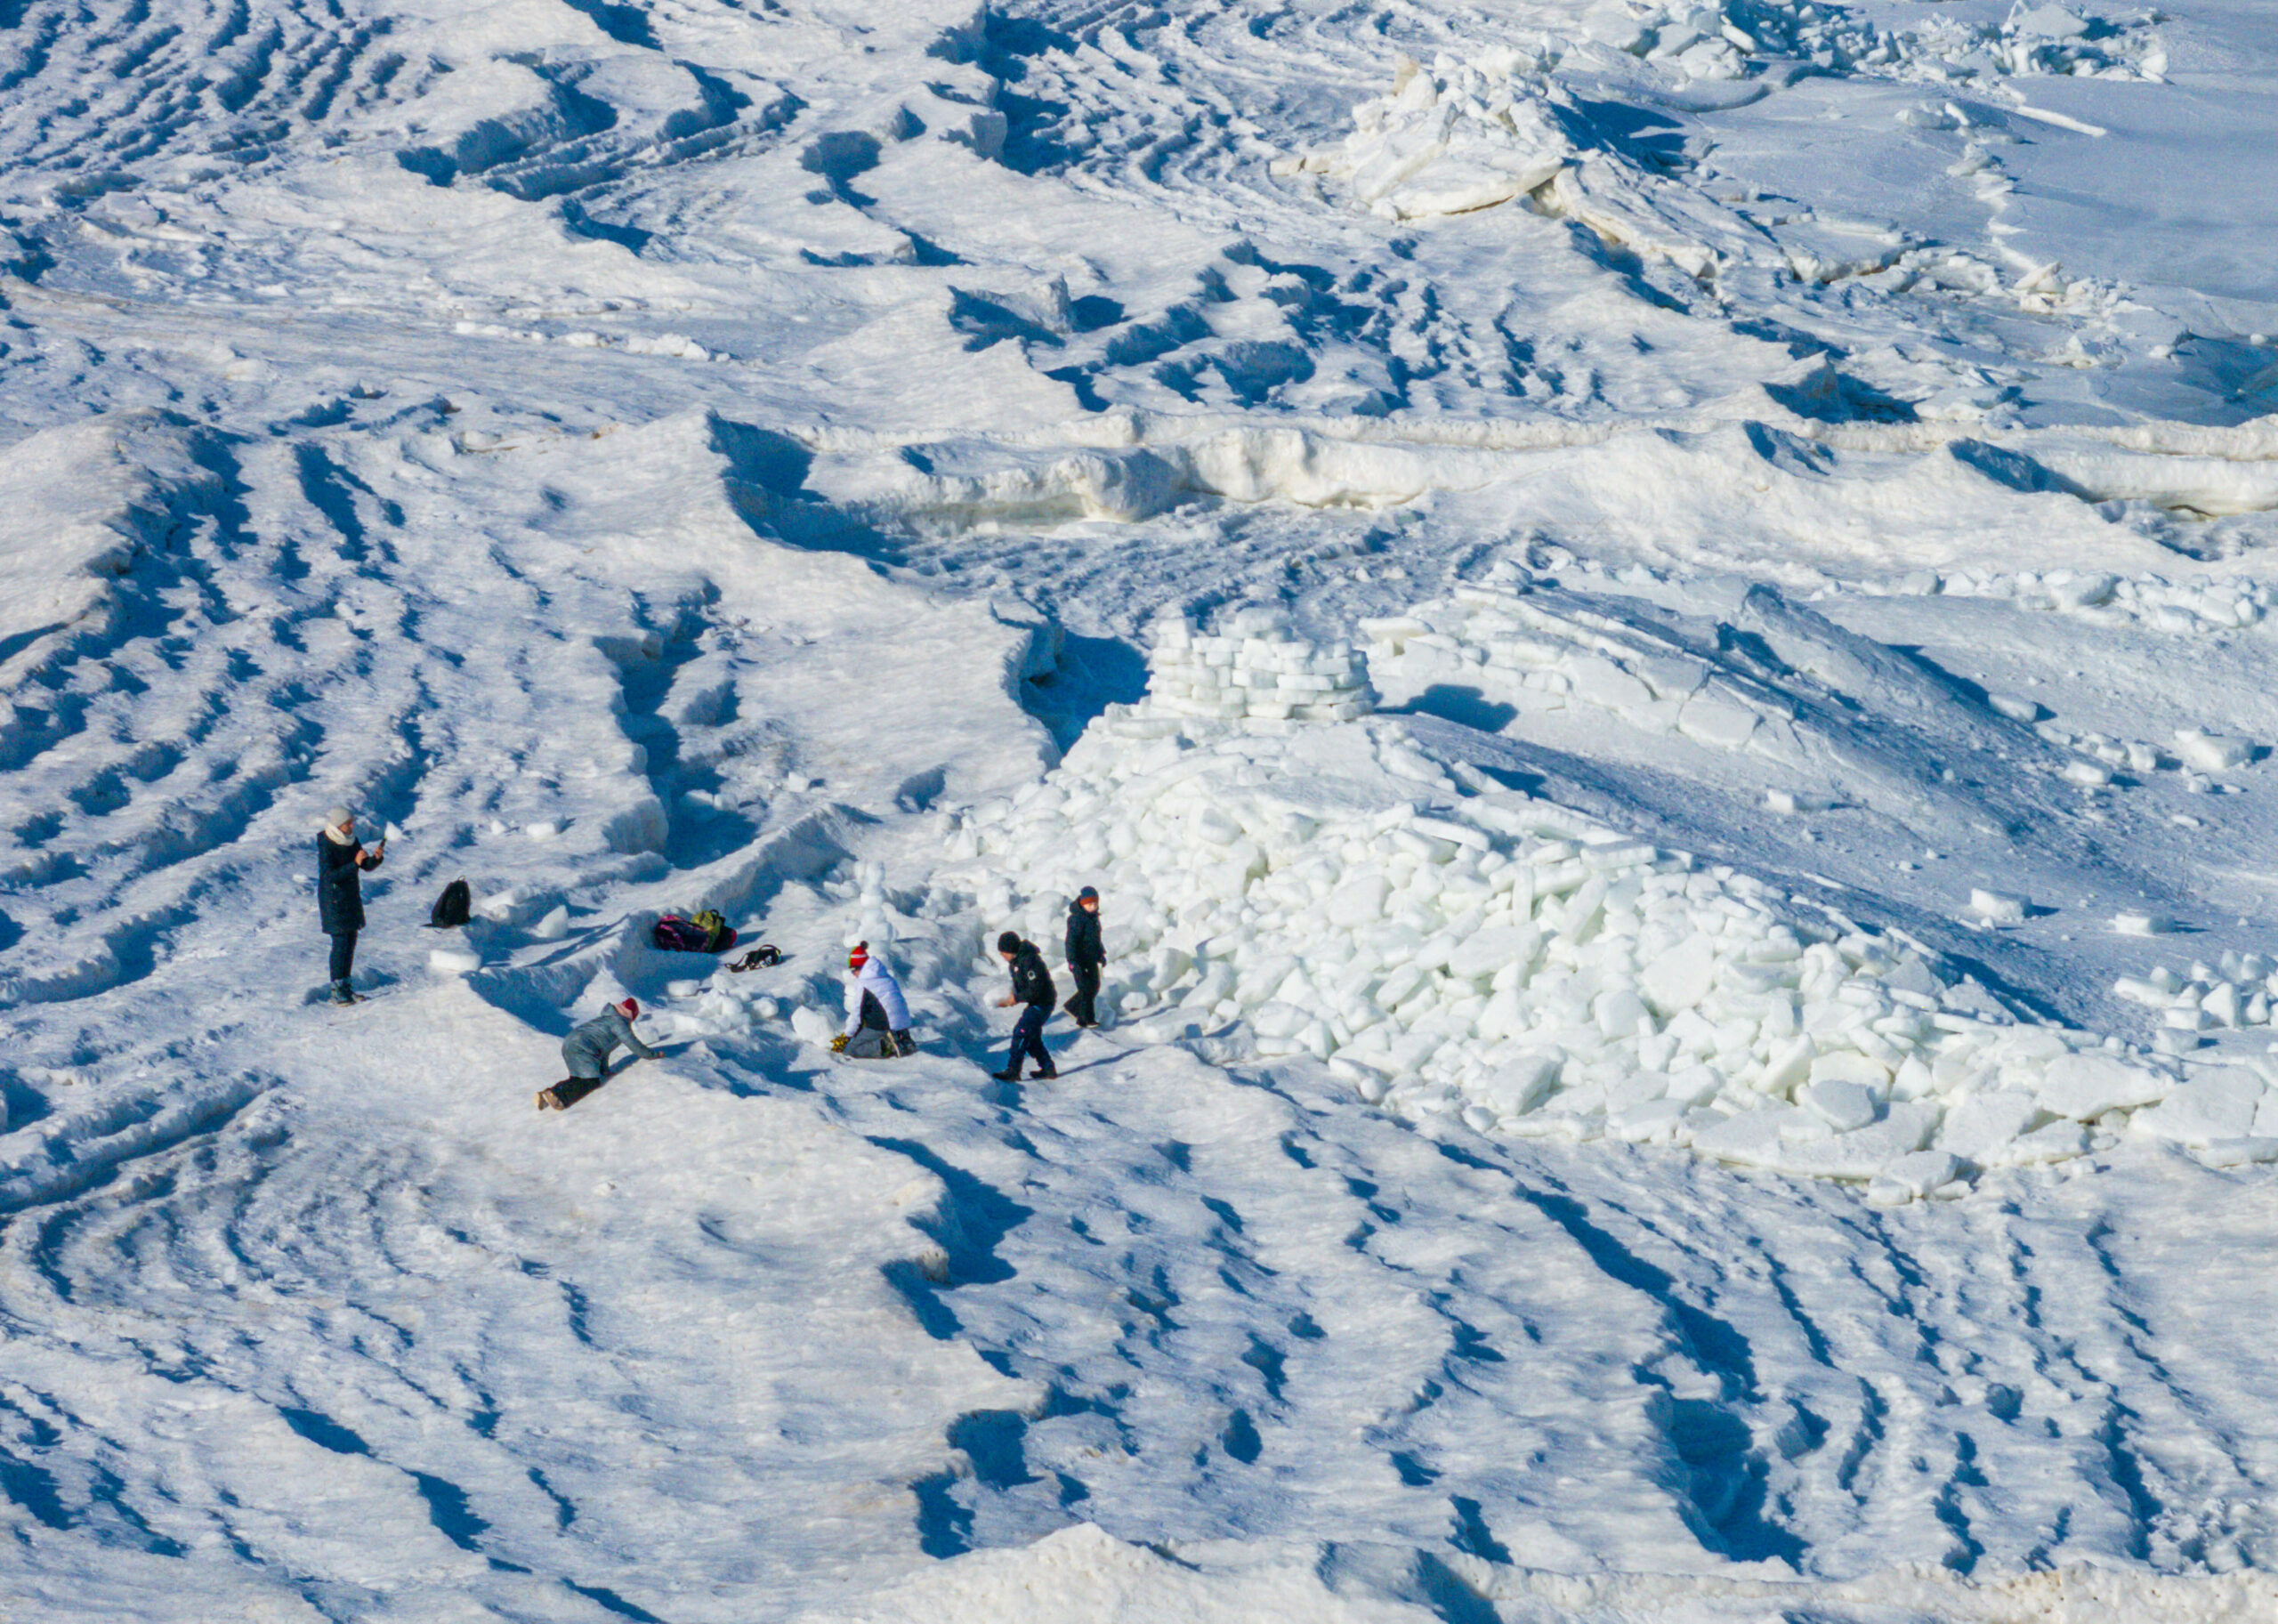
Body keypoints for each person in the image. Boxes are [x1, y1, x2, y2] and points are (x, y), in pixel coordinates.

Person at [317, 806, 384, 1005]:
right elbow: (329, 876)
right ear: (339, 825)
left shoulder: (352, 840)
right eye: (349, 823)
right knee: (340, 945)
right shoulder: (326, 843)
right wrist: (354, 864)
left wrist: (375, 859)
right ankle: (337, 991)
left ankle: (346, 987)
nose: (352, 825)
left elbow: (365, 865)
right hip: (334, 901)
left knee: (350, 943)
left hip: (350, 898)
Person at [543, 997, 659, 1109]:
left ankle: (549, 1094)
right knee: (592, 1081)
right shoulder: (619, 1023)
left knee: (578, 1077)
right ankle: (560, 1098)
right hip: (582, 1046)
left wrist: (605, 1070)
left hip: (570, 1043)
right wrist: (652, 1055)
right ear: (631, 1015)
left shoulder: (608, 1019)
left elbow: (604, 1049)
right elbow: (633, 1044)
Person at [992, 931, 1057, 1081]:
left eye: (1003, 952)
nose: (1002, 955)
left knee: (1021, 1032)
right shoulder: (1015, 964)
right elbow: (1021, 988)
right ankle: (1048, 1068)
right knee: (1032, 1036)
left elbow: (1036, 989)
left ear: (1010, 949)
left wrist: (1017, 998)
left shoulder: (1030, 961)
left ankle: (1013, 1070)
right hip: (1036, 1002)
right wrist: (1005, 999)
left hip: (1043, 1002)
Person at [831, 941, 916, 1059]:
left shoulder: (864, 983)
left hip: (883, 1024)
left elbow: (858, 1015)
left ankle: (887, 1045)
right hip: (902, 1023)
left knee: (851, 1049)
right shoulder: (886, 976)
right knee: (864, 1035)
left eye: (853, 970)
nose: (853, 974)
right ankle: (902, 1038)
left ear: (860, 968)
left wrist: (846, 1037)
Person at [1063, 886, 1105, 1028]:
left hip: (1091, 959)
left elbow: (1096, 940)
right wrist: (1072, 961)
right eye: (1089, 904)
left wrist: (1101, 955)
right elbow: (1071, 942)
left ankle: (1073, 1009)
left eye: (1095, 904)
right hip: (1079, 961)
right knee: (1086, 989)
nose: (1092, 907)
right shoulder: (1077, 919)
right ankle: (1087, 1019)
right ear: (1082, 904)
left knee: (1094, 986)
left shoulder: (1093, 918)